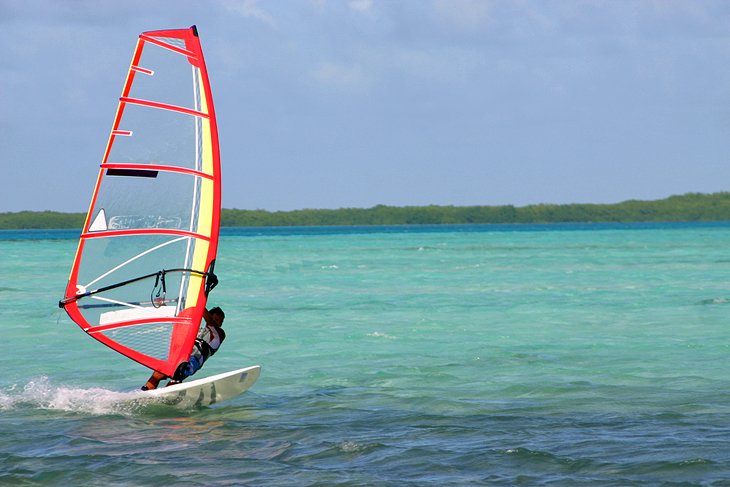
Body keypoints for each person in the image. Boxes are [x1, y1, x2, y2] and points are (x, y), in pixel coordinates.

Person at [141, 306, 226, 390]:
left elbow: (210, 321)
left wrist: (199, 303)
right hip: (181, 354)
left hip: (195, 359)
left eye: (221, 321)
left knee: (179, 373)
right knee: (159, 372)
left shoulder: (220, 334)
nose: (219, 323)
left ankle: (166, 395)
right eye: (217, 319)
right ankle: (145, 391)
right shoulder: (198, 330)